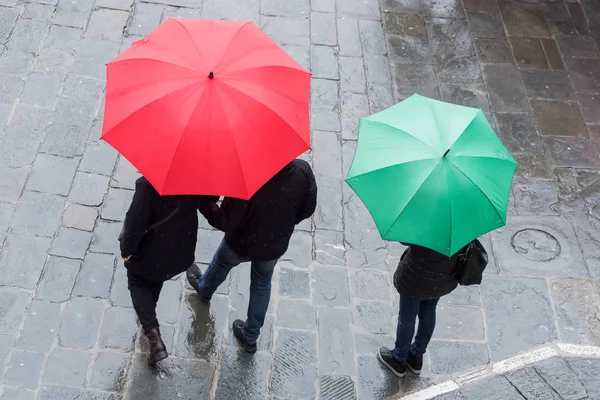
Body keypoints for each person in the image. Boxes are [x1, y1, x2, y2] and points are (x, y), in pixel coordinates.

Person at [186, 159, 317, 353]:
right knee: (262, 284)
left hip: (241, 242)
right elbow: (308, 208)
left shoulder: (247, 177)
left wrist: (205, 204)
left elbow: (226, 221)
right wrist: (285, 222)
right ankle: (250, 335)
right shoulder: (303, 171)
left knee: (221, 263)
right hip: (274, 245)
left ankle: (204, 289)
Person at [120, 176, 217, 365]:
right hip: (180, 248)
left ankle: (154, 338)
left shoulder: (147, 186)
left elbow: (134, 224)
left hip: (151, 249)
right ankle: (150, 309)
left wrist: (127, 250)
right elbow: (209, 199)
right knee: (156, 277)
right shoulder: (199, 176)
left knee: (137, 281)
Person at [378, 243, 467, 377]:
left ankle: (399, 359)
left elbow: (405, 238)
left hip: (416, 277)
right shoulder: (460, 225)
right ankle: (416, 357)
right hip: (441, 277)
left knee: (407, 317)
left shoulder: (426, 223)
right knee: (429, 311)